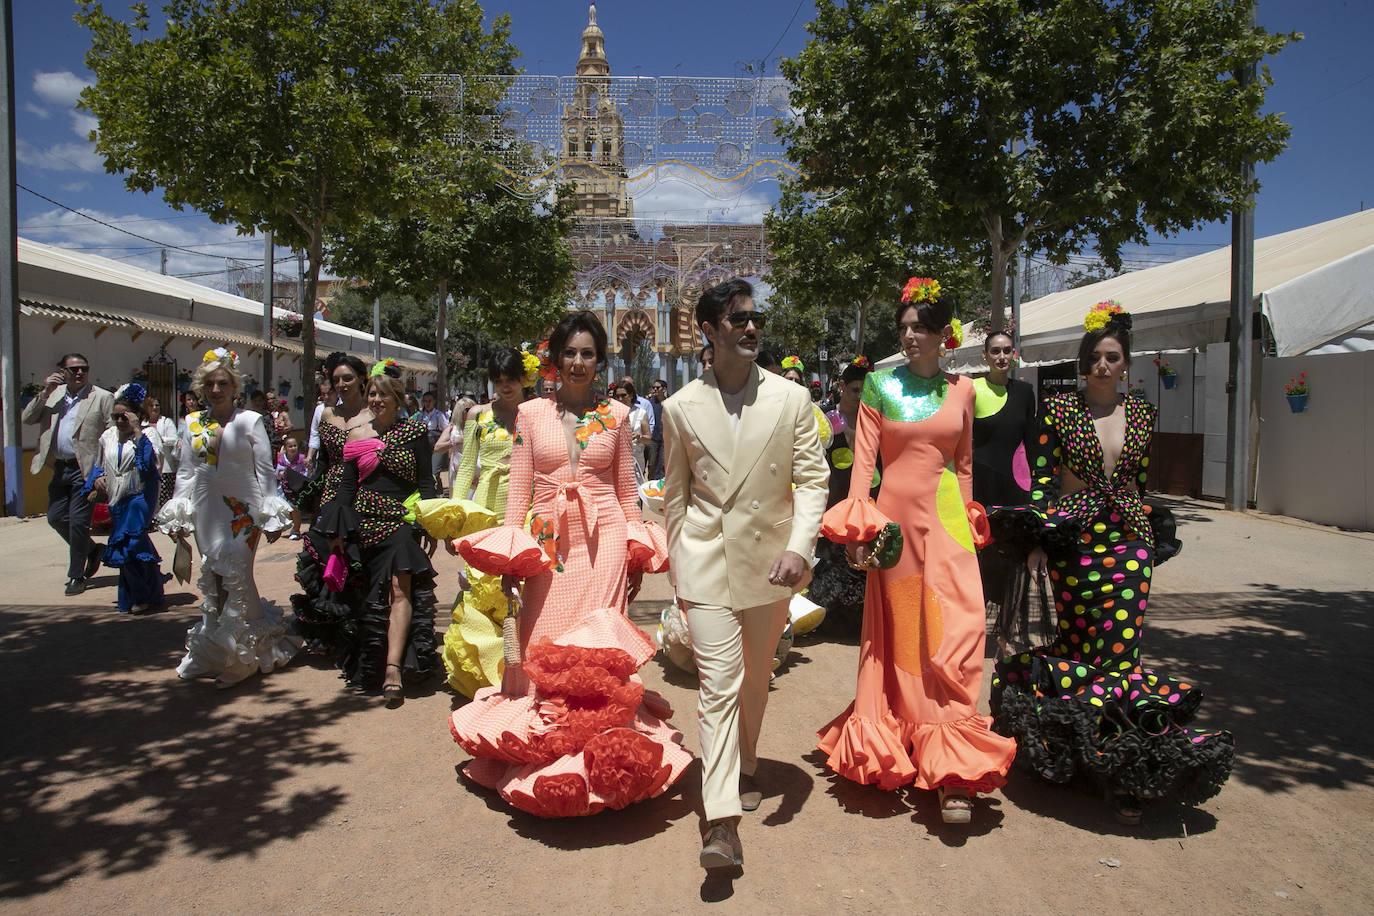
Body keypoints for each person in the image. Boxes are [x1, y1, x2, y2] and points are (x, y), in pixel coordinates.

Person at [988, 302, 1233, 825]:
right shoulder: (1059, 410)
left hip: (1128, 543)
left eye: (1113, 357)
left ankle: (1125, 773)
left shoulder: (1142, 412)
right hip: (1073, 541)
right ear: (1084, 364)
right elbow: (1041, 479)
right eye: (1095, 357)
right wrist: (1038, 540)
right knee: (1074, 648)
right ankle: (1075, 756)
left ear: (1126, 364)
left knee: (1121, 653)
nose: (1102, 365)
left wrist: (1144, 537)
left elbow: (1139, 481)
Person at [449, 311, 689, 817]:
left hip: (604, 543)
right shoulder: (530, 413)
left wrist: (636, 553)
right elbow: (518, 492)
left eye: (588, 353)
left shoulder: (617, 415)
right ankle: (548, 755)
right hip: (547, 545)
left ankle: (605, 759)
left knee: (598, 646)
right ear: (556, 359)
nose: (579, 362)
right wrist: (510, 560)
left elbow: (626, 490)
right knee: (542, 643)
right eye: (570, 353)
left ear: (600, 360)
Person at [817, 277, 1016, 825]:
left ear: (943, 334)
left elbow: (965, 464)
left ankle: (953, 764)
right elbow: (863, 464)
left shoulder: (965, 390)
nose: (909, 336)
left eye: (920, 328)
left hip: (949, 524)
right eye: (904, 327)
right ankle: (916, 748)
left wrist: (970, 519)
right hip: (895, 529)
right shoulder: (879, 386)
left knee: (958, 630)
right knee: (907, 638)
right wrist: (859, 530)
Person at [661, 278, 829, 869]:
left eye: (756, 318)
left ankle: (747, 763)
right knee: (719, 685)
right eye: (738, 319)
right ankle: (722, 822)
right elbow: (676, 496)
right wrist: (679, 567)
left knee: (756, 679)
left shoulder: (792, 399)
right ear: (709, 331)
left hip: (772, 566)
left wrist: (801, 548)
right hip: (705, 563)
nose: (752, 327)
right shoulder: (679, 408)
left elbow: (813, 481)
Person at [155, 348, 300, 687]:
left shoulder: (249, 421)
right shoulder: (192, 423)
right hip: (206, 507)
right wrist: (178, 510)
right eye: (209, 384)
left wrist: (272, 514)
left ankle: (241, 655)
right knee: (213, 575)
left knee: (237, 574)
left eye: (222, 383)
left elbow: (265, 470)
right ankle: (214, 651)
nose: (216, 390)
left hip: (243, 508)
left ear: (235, 387)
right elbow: (186, 471)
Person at [316, 360, 439, 703]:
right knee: (371, 595)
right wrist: (338, 530)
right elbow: (346, 487)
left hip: (401, 522)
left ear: (398, 400)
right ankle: (372, 661)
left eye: (383, 394)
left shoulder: (415, 433)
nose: (376, 400)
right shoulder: (356, 435)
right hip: (364, 523)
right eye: (372, 393)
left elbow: (425, 481)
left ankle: (393, 668)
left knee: (400, 589)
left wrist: (429, 522)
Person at [441, 348, 524, 697]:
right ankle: (483, 669)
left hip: (524, 509)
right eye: (498, 380)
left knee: (521, 590)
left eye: (511, 379)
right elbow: (464, 471)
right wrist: (453, 519)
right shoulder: (478, 416)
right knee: (481, 587)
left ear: (523, 379)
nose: (505, 386)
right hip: (486, 511)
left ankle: (522, 668)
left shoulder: (535, 413)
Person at [289, 352, 371, 662]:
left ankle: (362, 631)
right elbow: (323, 460)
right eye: (336, 379)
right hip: (331, 495)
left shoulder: (374, 413)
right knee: (328, 559)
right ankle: (330, 633)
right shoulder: (326, 415)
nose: (342, 384)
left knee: (359, 559)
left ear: (362, 379)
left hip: (364, 492)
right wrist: (310, 493)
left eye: (348, 378)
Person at [22, 352, 113, 595]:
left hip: (86, 469)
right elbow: (27, 418)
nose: (80, 372)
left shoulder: (101, 397)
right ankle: (92, 550)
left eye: (84, 368)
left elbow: (112, 434)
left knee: (79, 522)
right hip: (59, 467)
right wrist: (45, 392)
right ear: (62, 372)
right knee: (55, 517)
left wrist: (104, 471)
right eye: (74, 369)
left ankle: (76, 575)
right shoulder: (54, 395)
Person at [970, 332, 1039, 649]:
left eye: (1007, 351)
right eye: (995, 351)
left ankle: (1007, 631)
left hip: (1015, 491)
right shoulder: (971, 389)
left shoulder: (1025, 392)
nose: (1001, 356)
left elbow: (1032, 442)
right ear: (985, 355)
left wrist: (1037, 490)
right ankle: (971, 630)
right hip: (979, 491)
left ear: (1014, 354)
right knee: (978, 561)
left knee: (1013, 560)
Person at [808, 357, 880, 638]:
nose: (859, 396)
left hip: (867, 495)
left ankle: (861, 618)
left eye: (864, 390)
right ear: (841, 386)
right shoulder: (826, 420)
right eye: (854, 390)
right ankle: (827, 618)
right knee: (830, 557)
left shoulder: (874, 419)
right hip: (834, 494)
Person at [83, 384, 167, 613]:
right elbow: (99, 464)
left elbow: (149, 465)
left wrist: (137, 431)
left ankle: (140, 596)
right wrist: (97, 479)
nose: (119, 421)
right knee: (135, 546)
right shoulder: (107, 437)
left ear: (136, 415)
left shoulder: (148, 435)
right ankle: (152, 590)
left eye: (124, 416)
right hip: (116, 498)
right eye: (116, 416)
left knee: (126, 544)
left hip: (140, 497)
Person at [434, 393, 477, 497]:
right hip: (458, 471)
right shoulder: (452, 429)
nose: (472, 412)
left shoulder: (480, 427)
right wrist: (454, 441)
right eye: (468, 410)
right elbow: (437, 448)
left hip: (477, 470)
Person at [142, 395, 179, 509]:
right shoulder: (142, 423)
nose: (155, 407)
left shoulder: (166, 422)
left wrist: (159, 439)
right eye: (151, 405)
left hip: (166, 468)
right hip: (147, 467)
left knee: (164, 499)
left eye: (157, 405)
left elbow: (174, 439)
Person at [616, 378, 651, 488]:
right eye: (617, 396)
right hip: (616, 459)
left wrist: (639, 437)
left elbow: (648, 439)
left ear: (631, 395)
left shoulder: (641, 413)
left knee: (635, 490)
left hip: (635, 460)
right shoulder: (612, 413)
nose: (620, 399)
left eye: (623, 395)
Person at [275, 435, 309, 539]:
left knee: (295, 508)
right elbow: (277, 472)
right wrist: (281, 474)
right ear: (285, 448)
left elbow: (305, 472)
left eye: (295, 445)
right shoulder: (282, 459)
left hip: (297, 487)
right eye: (290, 446)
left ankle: (296, 530)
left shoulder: (301, 458)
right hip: (285, 488)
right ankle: (287, 526)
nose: (293, 448)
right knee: (284, 508)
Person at [416, 390, 449, 490]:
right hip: (424, 445)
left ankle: (437, 490)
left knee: (434, 470)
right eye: (425, 401)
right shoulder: (420, 416)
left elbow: (446, 429)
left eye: (429, 401)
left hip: (436, 445)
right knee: (425, 469)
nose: (427, 404)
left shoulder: (439, 415)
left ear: (434, 401)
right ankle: (435, 489)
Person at [305, 378, 332, 470]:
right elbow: (314, 433)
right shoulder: (319, 409)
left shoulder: (344, 407)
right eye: (323, 394)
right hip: (323, 456)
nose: (326, 397)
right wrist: (309, 456)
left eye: (329, 393)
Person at [647, 378, 667, 479]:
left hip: (665, 438)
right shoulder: (650, 403)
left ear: (664, 389)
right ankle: (650, 482)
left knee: (663, 463)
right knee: (652, 463)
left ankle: (660, 482)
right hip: (653, 438)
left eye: (657, 387)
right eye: (653, 387)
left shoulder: (669, 402)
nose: (655, 389)